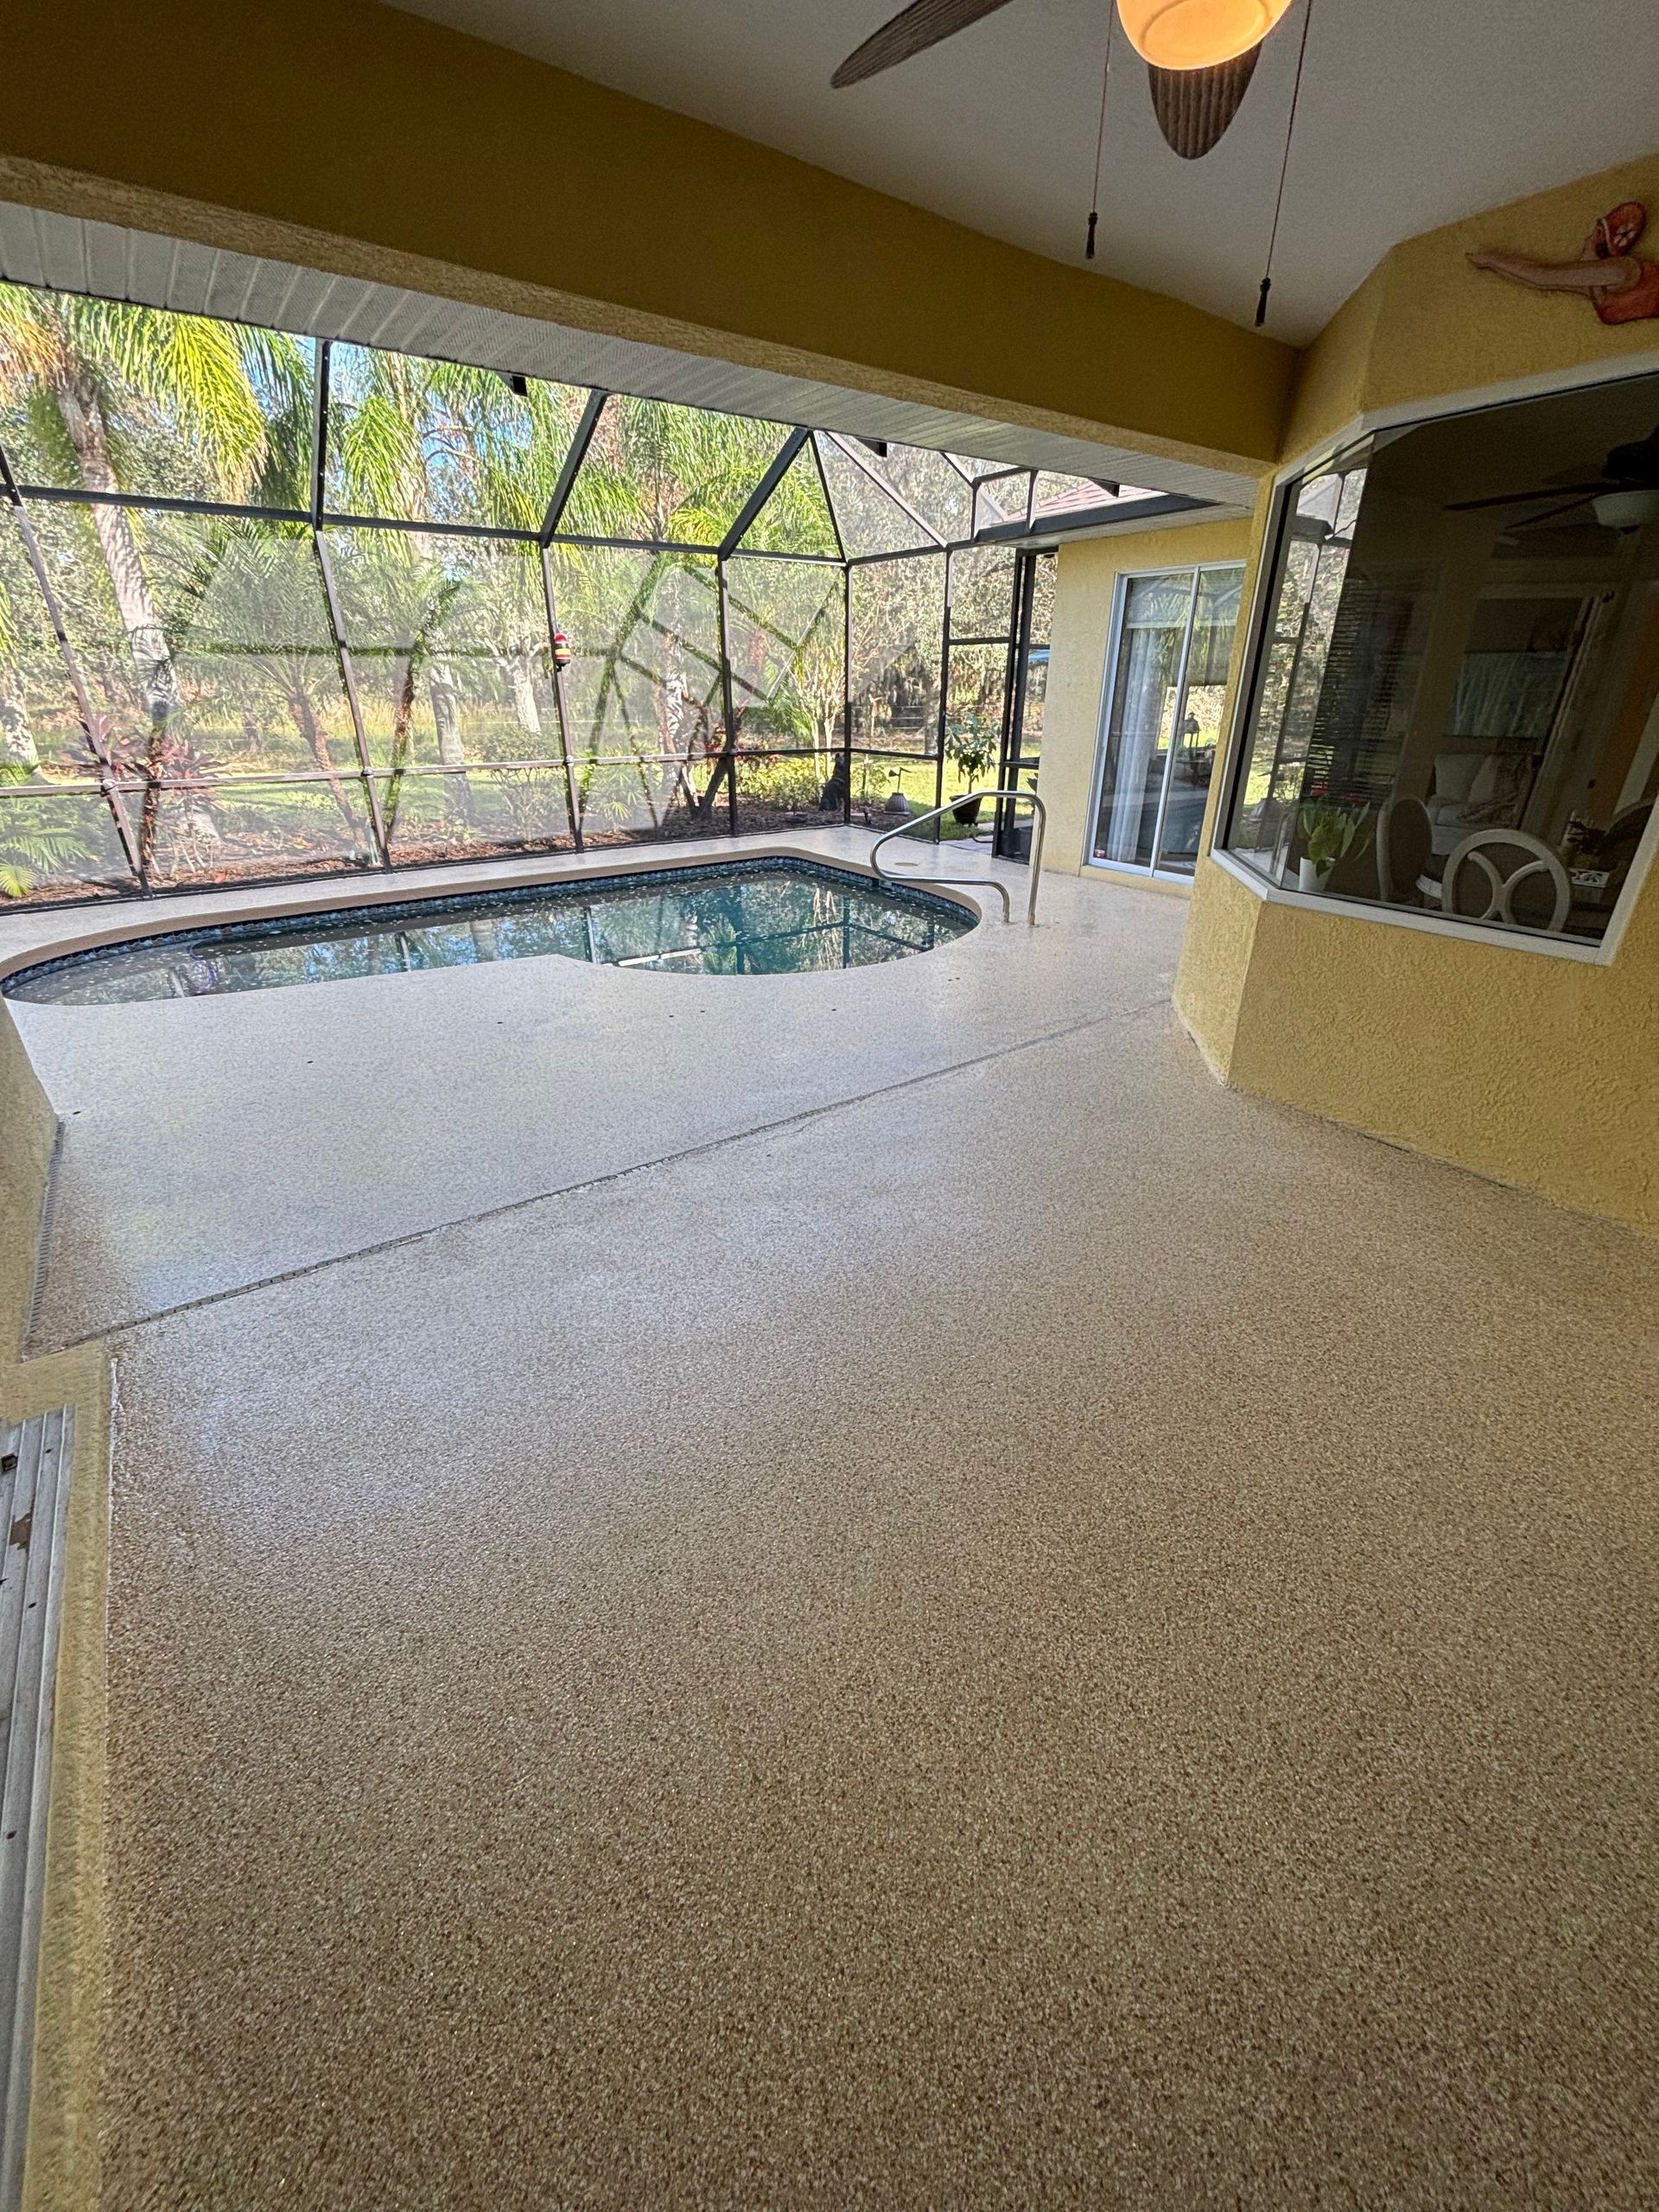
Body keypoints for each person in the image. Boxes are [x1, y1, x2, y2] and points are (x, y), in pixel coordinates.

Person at [1469, 201, 1659, 325]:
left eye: (1593, 233)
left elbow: (1544, 276)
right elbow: (1538, 282)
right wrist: (1491, 264)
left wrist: (1491, 259)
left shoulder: (1620, 270)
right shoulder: (1599, 287)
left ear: (1600, 236)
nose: (1586, 238)